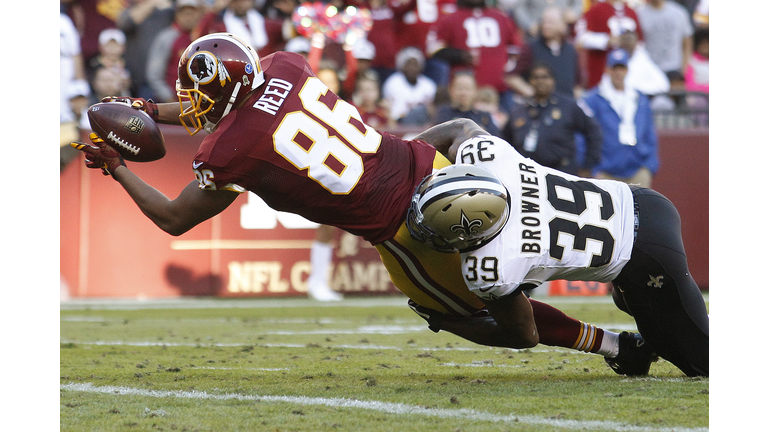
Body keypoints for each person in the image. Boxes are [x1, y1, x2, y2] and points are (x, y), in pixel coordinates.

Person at [71, 32, 656, 375]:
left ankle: (612, 345)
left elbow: (175, 218)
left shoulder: (232, 148)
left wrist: (118, 168)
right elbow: (232, 107)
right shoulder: (285, 66)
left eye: (193, 95)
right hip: (431, 167)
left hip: (410, 229)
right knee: (512, 212)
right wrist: (151, 111)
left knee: (497, 322)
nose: (186, 105)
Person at [407, 120, 709, 377]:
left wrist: (447, 321)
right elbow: (461, 127)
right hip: (642, 200)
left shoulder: (491, 267)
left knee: (700, 362)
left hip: (645, 259)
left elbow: (523, 334)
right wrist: (404, 152)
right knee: (632, 304)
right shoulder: (490, 158)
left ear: (472, 229)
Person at [501, 63, 602, 177]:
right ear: (530, 81)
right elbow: (505, 141)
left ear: (553, 80)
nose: (540, 81)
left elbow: (593, 131)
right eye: (536, 77)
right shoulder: (519, 110)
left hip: (561, 172)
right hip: (528, 175)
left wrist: (588, 165)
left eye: (545, 77)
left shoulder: (568, 106)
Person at [426, 0, 526, 109]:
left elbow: (516, 48)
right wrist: (459, 55)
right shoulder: (450, 18)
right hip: (466, 94)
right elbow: (432, 49)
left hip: (500, 90)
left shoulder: (501, 17)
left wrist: (507, 67)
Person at [583, 49, 659, 188]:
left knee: (638, 209)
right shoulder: (593, 99)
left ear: (627, 70)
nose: (618, 73)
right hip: (605, 172)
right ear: (607, 70)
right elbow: (584, 134)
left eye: (621, 68)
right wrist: (592, 169)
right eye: (614, 68)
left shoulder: (639, 98)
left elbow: (650, 134)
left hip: (637, 170)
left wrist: (649, 167)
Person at [574, 0, 642, 90]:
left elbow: (641, 42)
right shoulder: (595, 10)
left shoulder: (631, 12)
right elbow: (579, 39)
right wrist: (606, 40)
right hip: (601, 71)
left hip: (628, 73)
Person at [146, 0, 205, 103]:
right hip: (174, 102)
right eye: (184, 13)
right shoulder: (167, 38)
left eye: (192, 13)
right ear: (177, 15)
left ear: (199, 14)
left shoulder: (205, 38)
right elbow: (154, 74)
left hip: (202, 103)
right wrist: (168, 98)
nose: (188, 17)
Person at [518, 6, 583, 98]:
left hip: (566, 106)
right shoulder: (531, 47)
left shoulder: (571, 50)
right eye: (544, 22)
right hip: (540, 107)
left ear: (563, 25)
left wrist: (574, 104)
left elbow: (577, 83)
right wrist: (532, 93)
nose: (546, 26)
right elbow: (512, 77)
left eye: (551, 22)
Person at [117, 0, 176, 100]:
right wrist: (152, 3)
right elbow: (127, 23)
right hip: (137, 81)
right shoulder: (127, 12)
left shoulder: (166, 12)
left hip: (163, 81)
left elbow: (186, 15)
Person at [434, 71, 501, 138]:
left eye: (467, 89)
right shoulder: (443, 112)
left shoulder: (484, 116)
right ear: (451, 90)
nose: (463, 93)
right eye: (459, 88)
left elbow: (495, 138)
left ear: (475, 91)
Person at [637, 0, 693, 77]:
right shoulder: (639, 14)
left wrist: (684, 68)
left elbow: (687, 42)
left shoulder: (679, 12)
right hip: (650, 68)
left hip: (674, 68)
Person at [381, 47, 437, 123]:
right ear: (402, 66)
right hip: (400, 123)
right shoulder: (393, 82)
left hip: (423, 125)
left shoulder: (428, 84)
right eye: (409, 64)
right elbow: (390, 111)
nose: (412, 68)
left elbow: (432, 112)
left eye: (415, 64)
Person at [618, 30, 670, 97]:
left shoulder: (644, 60)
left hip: (640, 98)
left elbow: (663, 85)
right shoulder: (615, 59)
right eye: (625, 39)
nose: (628, 43)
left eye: (630, 39)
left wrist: (638, 90)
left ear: (636, 42)